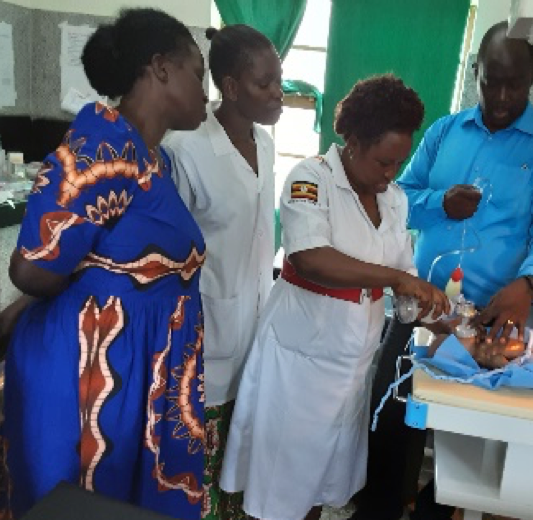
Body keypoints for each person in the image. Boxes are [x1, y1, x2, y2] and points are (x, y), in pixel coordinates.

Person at [351, 21, 533, 520]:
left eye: (514, 83)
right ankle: (384, 508)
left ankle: (437, 512)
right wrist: (440, 203)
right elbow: (397, 198)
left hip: (493, 319)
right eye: (490, 79)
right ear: (475, 71)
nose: (500, 95)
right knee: (392, 420)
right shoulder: (443, 133)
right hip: (422, 306)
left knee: (479, 441)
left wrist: (529, 284)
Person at [0, 8, 209, 519]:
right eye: (198, 75)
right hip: (91, 373)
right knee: (84, 503)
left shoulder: (148, 156)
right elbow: (32, 268)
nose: (206, 93)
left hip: (134, 369)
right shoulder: (106, 146)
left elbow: (93, 255)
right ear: (160, 67)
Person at [219, 74, 450, 520]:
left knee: (319, 488)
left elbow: (404, 277)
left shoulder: (395, 201)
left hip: (351, 369)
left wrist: (434, 313)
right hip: (299, 365)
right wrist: (396, 281)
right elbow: (309, 257)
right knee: (280, 488)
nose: (390, 175)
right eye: (384, 162)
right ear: (355, 142)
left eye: (398, 164)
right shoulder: (312, 179)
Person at [164, 24, 283, 520]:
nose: (279, 94)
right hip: (205, 336)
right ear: (230, 87)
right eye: (265, 84)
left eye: (280, 80)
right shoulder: (184, 150)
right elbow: (169, 257)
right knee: (202, 472)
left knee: (242, 465)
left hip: (257, 331)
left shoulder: (267, 143)